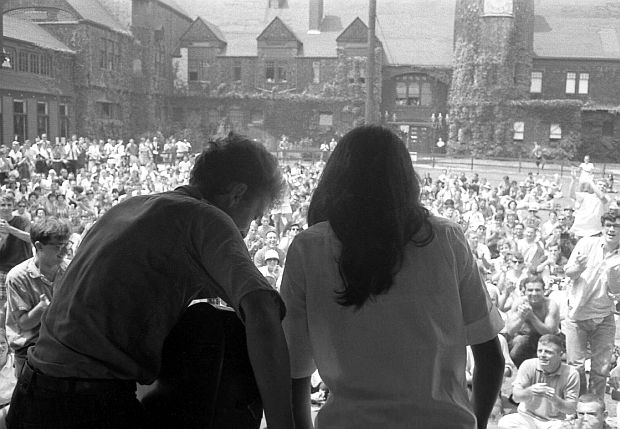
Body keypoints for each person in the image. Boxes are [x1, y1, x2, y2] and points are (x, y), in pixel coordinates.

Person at [6, 134, 294, 429]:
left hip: (31, 393)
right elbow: (262, 311)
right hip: (88, 403)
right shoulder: (208, 219)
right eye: (254, 215)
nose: (247, 230)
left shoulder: (127, 208)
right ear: (236, 193)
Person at [281, 125, 505, 429]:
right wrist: (476, 424)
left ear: (334, 179)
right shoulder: (447, 238)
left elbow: (294, 372)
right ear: (406, 180)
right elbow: (490, 357)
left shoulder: (309, 248)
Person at [563, 210, 620, 400]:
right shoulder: (587, 243)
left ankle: (596, 410)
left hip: (604, 316)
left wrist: (613, 275)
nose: (612, 229)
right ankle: (579, 408)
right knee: (575, 367)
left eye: (617, 226)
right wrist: (578, 268)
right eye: (608, 225)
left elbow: (616, 292)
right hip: (577, 314)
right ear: (603, 227)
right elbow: (569, 273)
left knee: (601, 368)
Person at [5, 217, 71, 377]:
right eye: (58, 246)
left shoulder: (70, 269)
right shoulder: (18, 276)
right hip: (29, 349)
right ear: (38, 246)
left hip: (61, 345)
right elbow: (24, 324)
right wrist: (42, 308)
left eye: (67, 245)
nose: (64, 251)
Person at [497, 334, 579, 429]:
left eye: (548, 352)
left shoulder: (571, 373)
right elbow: (516, 397)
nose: (542, 355)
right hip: (527, 418)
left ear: (560, 354)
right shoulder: (528, 365)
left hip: (555, 422)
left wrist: (555, 399)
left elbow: (571, 409)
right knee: (505, 422)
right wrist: (530, 391)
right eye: (540, 351)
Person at [504, 276, 560, 368]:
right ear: (524, 291)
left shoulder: (550, 305)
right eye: (530, 290)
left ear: (544, 291)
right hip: (524, 338)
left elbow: (549, 332)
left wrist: (532, 316)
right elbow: (510, 331)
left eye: (537, 290)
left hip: (546, 339)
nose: (534, 293)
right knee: (518, 343)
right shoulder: (519, 303)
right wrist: (521, 317)